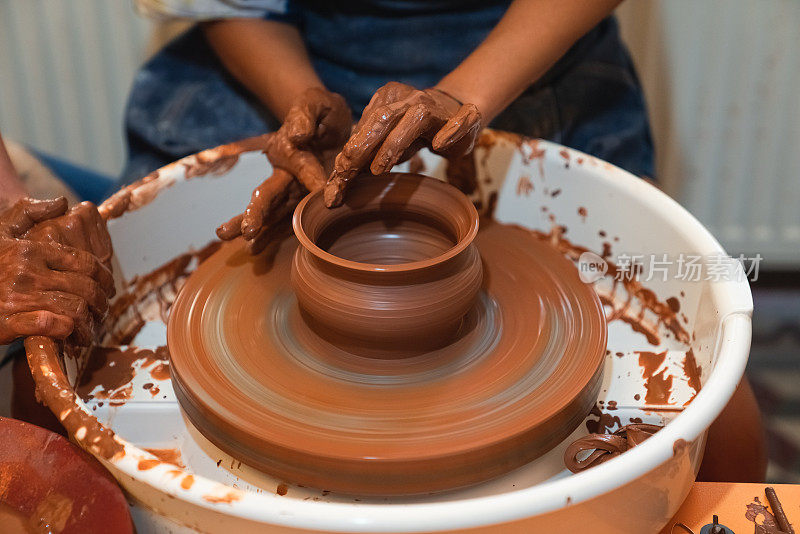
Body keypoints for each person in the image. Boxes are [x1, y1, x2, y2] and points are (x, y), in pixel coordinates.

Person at [127, 0, 653, 249]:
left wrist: (465, 98)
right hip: (278, 50)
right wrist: (299, 99)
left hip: (524, 51)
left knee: (639, 268)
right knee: (141, 260)